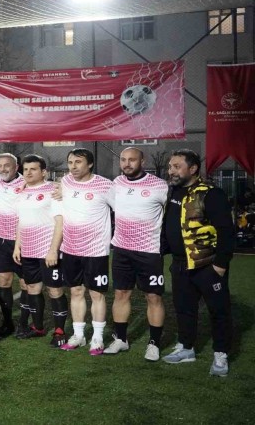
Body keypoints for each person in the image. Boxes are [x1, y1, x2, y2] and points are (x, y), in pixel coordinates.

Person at [161, 149, 235, 377]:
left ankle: (221, 354)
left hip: (207, 265)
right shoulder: (174, 192)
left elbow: (226, 230)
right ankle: (186, 348)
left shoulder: (212, 194)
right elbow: (170, 225)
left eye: (177, 167)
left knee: (219, 311)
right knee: (184, 309)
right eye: (170, 166)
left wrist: (220, 264)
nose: (171, 171)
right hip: (180, 265)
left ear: (193, 169)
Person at [102, 148, 168, 361]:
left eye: (132, 159)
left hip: (149, 252)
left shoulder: (159, 186)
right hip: (121, 250)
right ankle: (121, 339)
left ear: (143, 161)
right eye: (123, 160)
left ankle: (154, 343)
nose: (127, 163)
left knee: (153, 297)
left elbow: (172, 214)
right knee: (121, 294)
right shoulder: (116, 184)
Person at [58, 148, 113, 355]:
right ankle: (78, 336)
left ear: (90, 164)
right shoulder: (65, 182)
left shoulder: (105, 185)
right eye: (70, 162)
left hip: (96, 250)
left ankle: (97, 338)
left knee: (96, 294)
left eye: (78, 162)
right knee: (75, 291)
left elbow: (122, 209)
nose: (73, 166)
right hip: (70, 248)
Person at [12, 155, 65, 342]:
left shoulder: (54, 190)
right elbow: (21, 221)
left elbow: (60, 222)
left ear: (44, 172)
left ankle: (60, 331)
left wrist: (53, 250)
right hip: (28, 250)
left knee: (54, 290)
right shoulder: (21, 192)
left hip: (48, 250)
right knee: (33, 288)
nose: (28, 173)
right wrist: (17, 246)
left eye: (33, 169)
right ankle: (38, 327)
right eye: (25, 169)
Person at [0, 153, 27, 337]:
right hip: (1, 240)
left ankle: (24, 323)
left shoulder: (25, 183)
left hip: (22, 240)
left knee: (25, 283)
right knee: (4, 280)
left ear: (16, 167)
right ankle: (7, 323)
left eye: (7, 165)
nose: (2, 169)